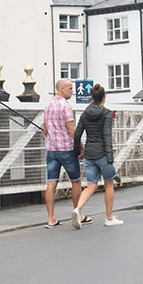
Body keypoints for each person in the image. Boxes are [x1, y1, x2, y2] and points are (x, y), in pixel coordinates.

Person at [72, 83, 123, 227]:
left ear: (92, 97)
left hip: (89, 155)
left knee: (91, 186)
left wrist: (78, 151)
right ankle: (109, 218)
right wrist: (110, 157)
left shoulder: (85, 113)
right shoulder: (106, 113)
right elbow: (107, 135)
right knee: (109, 184)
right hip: (102, 154)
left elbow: (77, 134)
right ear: (104, 97)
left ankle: (77, 209)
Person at [43, 79, 84, 228]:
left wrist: (53, 137)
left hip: (52, 150)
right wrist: (80, 146)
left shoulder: (48, 106)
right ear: (61, 89)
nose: (72, 91)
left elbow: (45, 130)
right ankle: (78, 213)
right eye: (70, 89)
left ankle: (51, 218)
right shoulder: (66, 106)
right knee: (76, 181)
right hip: (66, 149)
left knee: (51, 183)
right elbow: (72, 129)